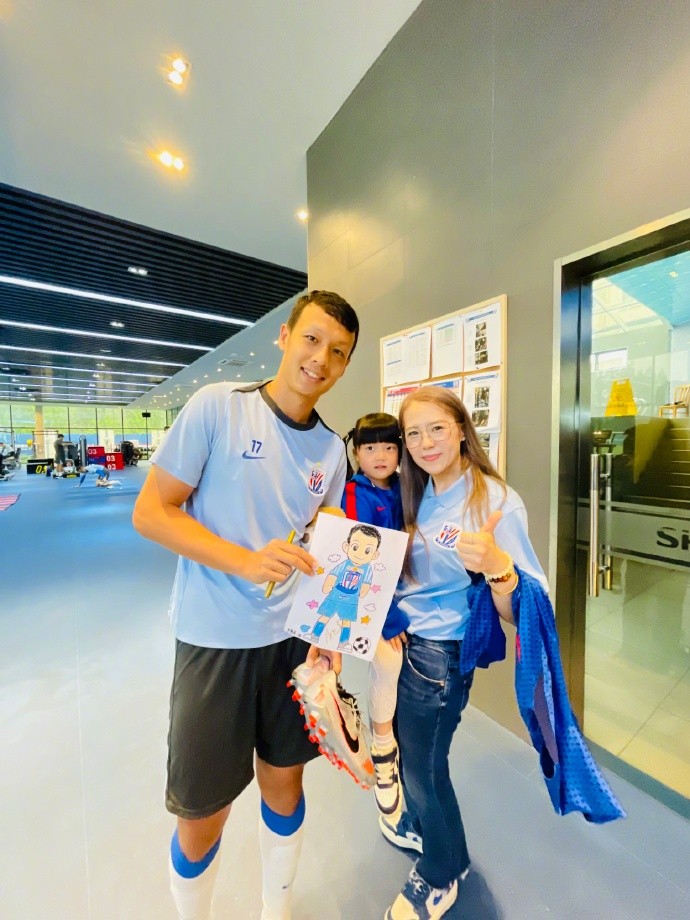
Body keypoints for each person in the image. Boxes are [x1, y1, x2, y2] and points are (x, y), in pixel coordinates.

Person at [132, 290, 359, 920]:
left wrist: (329, 631)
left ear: (344, 366)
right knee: (201, 814)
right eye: (311, 339)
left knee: (285, 785)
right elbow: (151, 512)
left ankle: (274, 908)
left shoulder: (331, 450)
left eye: (338, 352)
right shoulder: (219, 407)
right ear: (285, 337)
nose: (320, 359)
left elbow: (326, 547)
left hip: (291, 645)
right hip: (214, 642)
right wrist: (244, 560)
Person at [382, 386, 548, 920]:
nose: (425, 442)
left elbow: (529, 606)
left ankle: (441, 873)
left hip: (440, 657)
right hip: (405, 645)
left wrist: (499, 568)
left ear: (461, 429)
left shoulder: (495, 501)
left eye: (437, 428)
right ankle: (427, 831)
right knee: (411, 757)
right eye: (413, 433)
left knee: (425, 770)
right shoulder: (417, 492)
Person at [340, 413, 408, 822]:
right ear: (356, 452)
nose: (380, 455)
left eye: (388, 446)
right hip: (371, 597)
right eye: (370, 448)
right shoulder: (355, 492)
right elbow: (362, 559)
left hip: (404, 589)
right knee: (388, 661)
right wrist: (387, 617)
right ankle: (383, 751)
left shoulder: (405, 485)